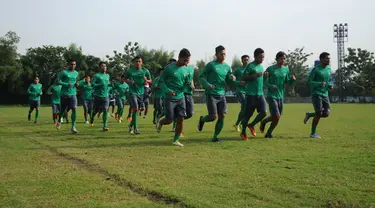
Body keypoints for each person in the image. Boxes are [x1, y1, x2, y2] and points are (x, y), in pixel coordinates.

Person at [197, 45, 236, 142]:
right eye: (221, 54)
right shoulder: (211, 65)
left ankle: (215, 137)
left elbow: (228, 80)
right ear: (216, 54)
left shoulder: (227, 67)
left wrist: (233, 78)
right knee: (212, 117)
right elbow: (201, 76)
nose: (223, 56)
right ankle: (202, 120)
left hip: (222, 94)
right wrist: (207, 85)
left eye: (224, 54)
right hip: (211, 94)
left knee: (222, 115)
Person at [156, 48, 191, 147]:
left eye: (187, 61)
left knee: (181, 119)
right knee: (169, 119)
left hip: (181, 97)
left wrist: (188, 85)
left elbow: (186, 82)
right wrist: (168, 91)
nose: (186, 63)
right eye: (184, 60)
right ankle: (161, 122)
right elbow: (161, 82)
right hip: (169, 98)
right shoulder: (169, 68)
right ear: (179, 57)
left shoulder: (186, 69)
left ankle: (176, 140)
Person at [260, 51, 296, 138]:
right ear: (277, 59)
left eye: (284, 58)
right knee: (277, 115)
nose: (283, 60)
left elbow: (287, 82)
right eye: (281, 58)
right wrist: (270, 85)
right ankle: (266, 126)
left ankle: (268, 131)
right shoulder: (270, 69)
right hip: (271, 96)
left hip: (280, 96)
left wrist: (292, 80)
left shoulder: (286, 69)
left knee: (277, 117)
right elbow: (263, 81)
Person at [303, 52, 333, 138]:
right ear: (321, 59)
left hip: (325, 94)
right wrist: (319, 84)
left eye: (329, 58)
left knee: (326, 114)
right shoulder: (316, 69)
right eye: (327, 58)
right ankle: (313, 133)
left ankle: (309, 114)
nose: (329, 60)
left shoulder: (329, 69)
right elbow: (309, 82)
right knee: (319, 113)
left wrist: (329, 85)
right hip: (316, 94)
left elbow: (327, 81)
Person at [240, 48, 267, 140]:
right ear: (255, 57)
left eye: (263, 57)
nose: (262, 59)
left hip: (260, 94)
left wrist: (265, 77)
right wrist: (254, 76)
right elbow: (243, 78)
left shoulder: (261, 67)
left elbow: (261, 79)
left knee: (264, 112)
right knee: (247, 116)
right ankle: (243, 132)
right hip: (250, 95)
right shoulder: (250, 66)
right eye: (260, 57)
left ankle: (252, 125)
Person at [125, 56, 152, 134]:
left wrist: (146, 80)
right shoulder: (130, 70)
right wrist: (129, 81)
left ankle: (130, 125)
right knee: (136, 108)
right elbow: (124, 79)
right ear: (134, 62)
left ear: (142, 62)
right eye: (136, 61)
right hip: (132, 92)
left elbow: (150, 81)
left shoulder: (145, 71)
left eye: (139, 61)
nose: (138, 63)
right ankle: (136, 128)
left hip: (141, 93)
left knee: (137, 110)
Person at [56, 60, 79, 133]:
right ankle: (59, 120)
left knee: (74, 109)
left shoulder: (76, 73)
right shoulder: (63, 72)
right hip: (64, 94)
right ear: (69, 64)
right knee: (62, 110)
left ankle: (73, 127)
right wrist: (66, 84)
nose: (73, 66)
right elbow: (58, 81)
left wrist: (77, 84)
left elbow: (76, 81)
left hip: (73, 94)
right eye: (71, 64)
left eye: (74, 64)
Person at [89, 62, 111, 131]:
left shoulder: (107, 75)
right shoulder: (97, 75)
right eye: (102, 66)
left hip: (106, 96)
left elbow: (107, 84)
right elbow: (92, 84)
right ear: (99, 67)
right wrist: (99, 84)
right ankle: (92, 117)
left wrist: (110, 87)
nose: (104, 67)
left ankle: (105, 126)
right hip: (97, 96)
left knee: (105, 109)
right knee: (95, 110)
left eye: (105, 66)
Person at [233, 55, 250, 131]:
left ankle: (237, 124)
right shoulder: (238, 70)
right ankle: (239, 123)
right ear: (242, 61)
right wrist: (239, 82)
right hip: (240, 91)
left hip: (248, 91)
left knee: (245, 109)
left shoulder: (250, 70)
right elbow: (232, 80)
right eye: (245, 60)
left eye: (247, 60)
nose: (246, 61)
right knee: (245, 106)